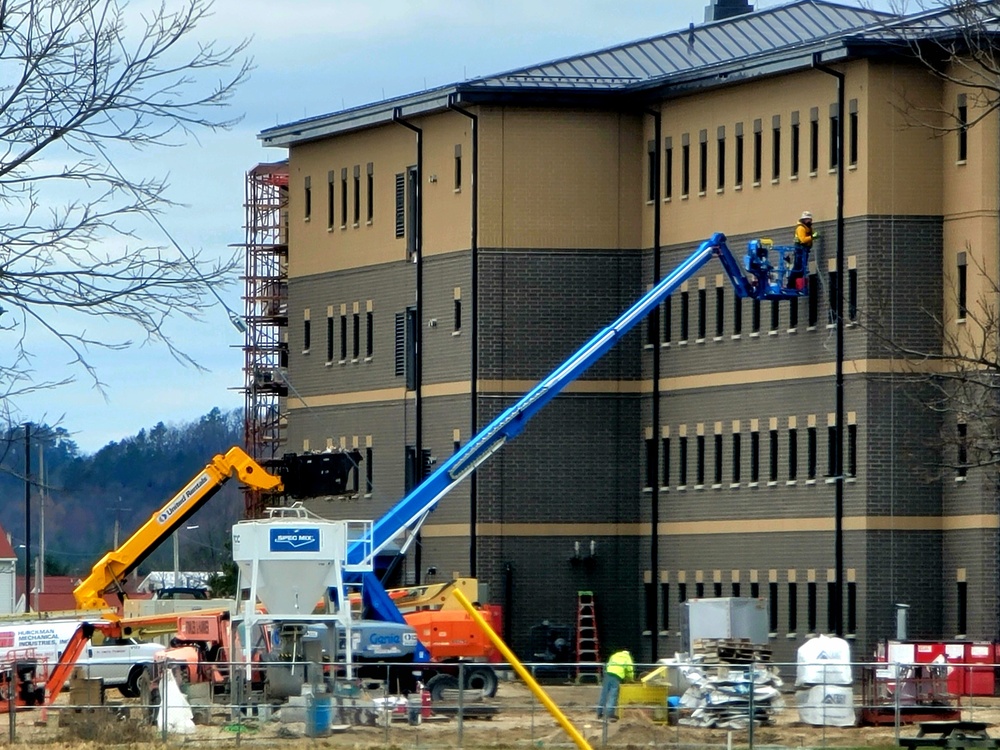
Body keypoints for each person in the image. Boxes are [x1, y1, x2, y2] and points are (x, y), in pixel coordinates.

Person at [596, 648, 634, 721]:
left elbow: (608, 665)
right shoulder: (627, 658)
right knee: (613, 695)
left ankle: (599, 713)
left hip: (608, 674)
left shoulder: (614, 655)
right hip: (616, 676)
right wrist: (630, 679)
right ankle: (609, 714)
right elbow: (630, 670)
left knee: (604, 693)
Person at [789, 210, 817, 290]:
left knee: (802, 268)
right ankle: (790, 285)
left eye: (810, 220)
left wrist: (814, 236)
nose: (810, 221)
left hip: (805, 250)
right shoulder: (801, 228)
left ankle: (796, 285)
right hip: (800, 250)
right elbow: (803, 239)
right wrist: (812, 237)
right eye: (808, 219)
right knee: (797, 267)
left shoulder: (808, 228)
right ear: (804, 220)